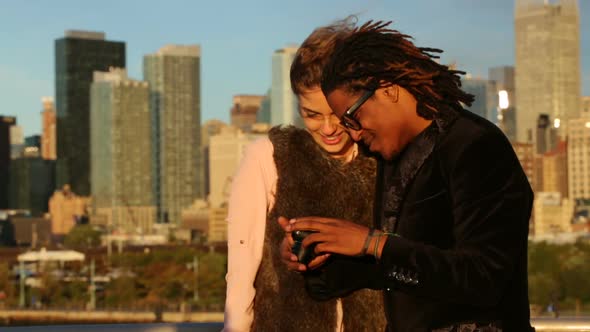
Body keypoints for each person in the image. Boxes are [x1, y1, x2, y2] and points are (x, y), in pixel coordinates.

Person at [281, 20, 535, 331]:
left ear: (387, 91)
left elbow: (483, 278)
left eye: (352, 117)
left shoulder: (476, 145)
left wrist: (374, 243)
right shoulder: (390, 157)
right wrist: (312, 255)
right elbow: (390, 271)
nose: (354, 134)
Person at [223, 18, 386, 332]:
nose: (327, 128)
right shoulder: (269, 156)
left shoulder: (383, 155)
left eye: (338, 115)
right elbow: (242, 266)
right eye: (312, 114)